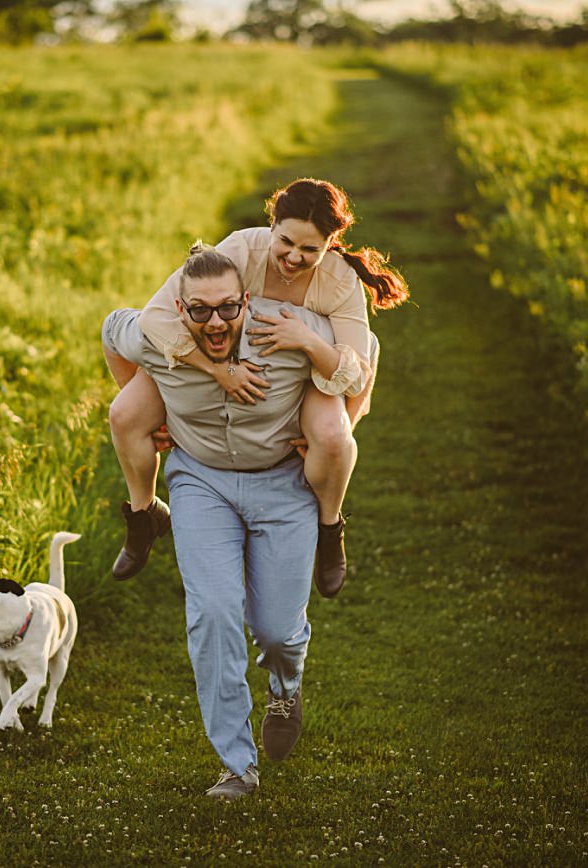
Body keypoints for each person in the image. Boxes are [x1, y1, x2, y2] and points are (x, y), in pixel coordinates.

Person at [102, 243, 370, 800]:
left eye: (228, 307)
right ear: (180, 311)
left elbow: (365, 355)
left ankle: (285, 685)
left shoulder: (287, 330)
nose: (216, 321)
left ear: (246, 301)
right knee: (214, 614)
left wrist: (341, 424)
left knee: (276, 628)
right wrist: (142, 400)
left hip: (283, 485)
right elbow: (111, 330)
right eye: (199, 310)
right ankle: (236, 765)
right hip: (202, 484)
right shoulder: (159, 338)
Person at [107, 179, 406, 597]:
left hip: (307, 369)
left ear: (330, 243)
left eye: (310, 250)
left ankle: (329, 526)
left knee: (334, 439)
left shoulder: (340, 282)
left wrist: (306, 340)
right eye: (285, 241)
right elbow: (155, 317)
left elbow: (358, 369)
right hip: (220, 357)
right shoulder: (239, 251)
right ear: (272, 224)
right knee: (124, 414)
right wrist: (214, 375)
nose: (294, 257)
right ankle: (145, 514)